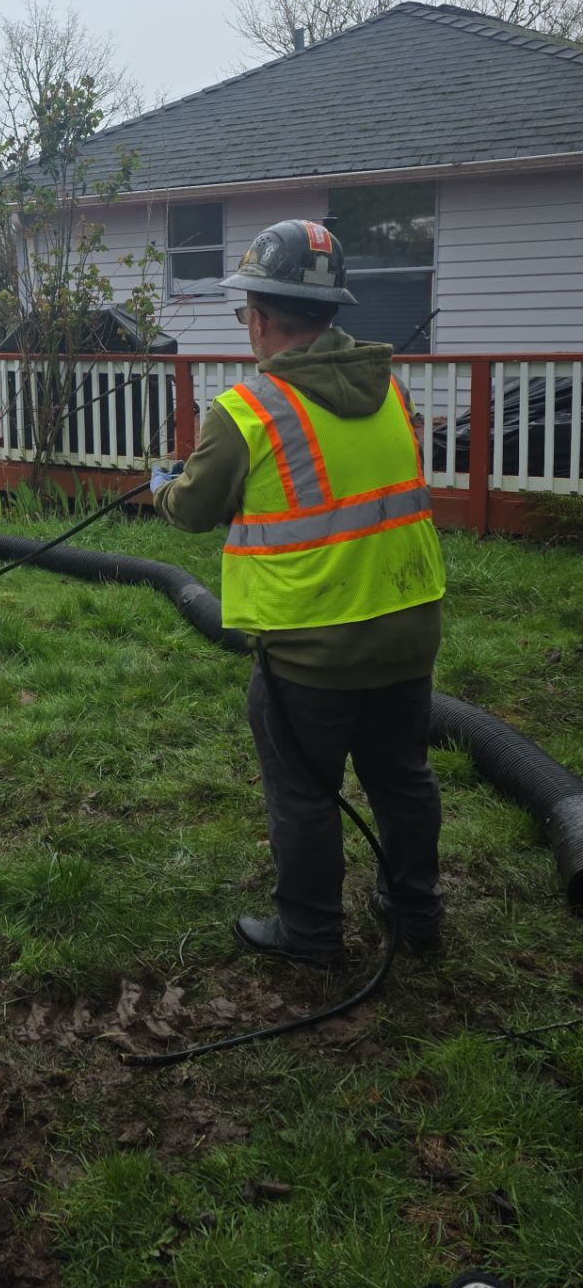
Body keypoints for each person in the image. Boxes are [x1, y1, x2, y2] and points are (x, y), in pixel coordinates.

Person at [151, 219, 447, 968]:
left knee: (307, 794)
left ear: (257, 315)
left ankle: (311, 934)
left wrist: (163, 485)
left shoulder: (246, 411)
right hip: (408, 628)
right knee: (402, 781)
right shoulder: (389, 391)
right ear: (329, 312)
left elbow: (192, 511)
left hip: (311, 648)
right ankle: (417, 916)